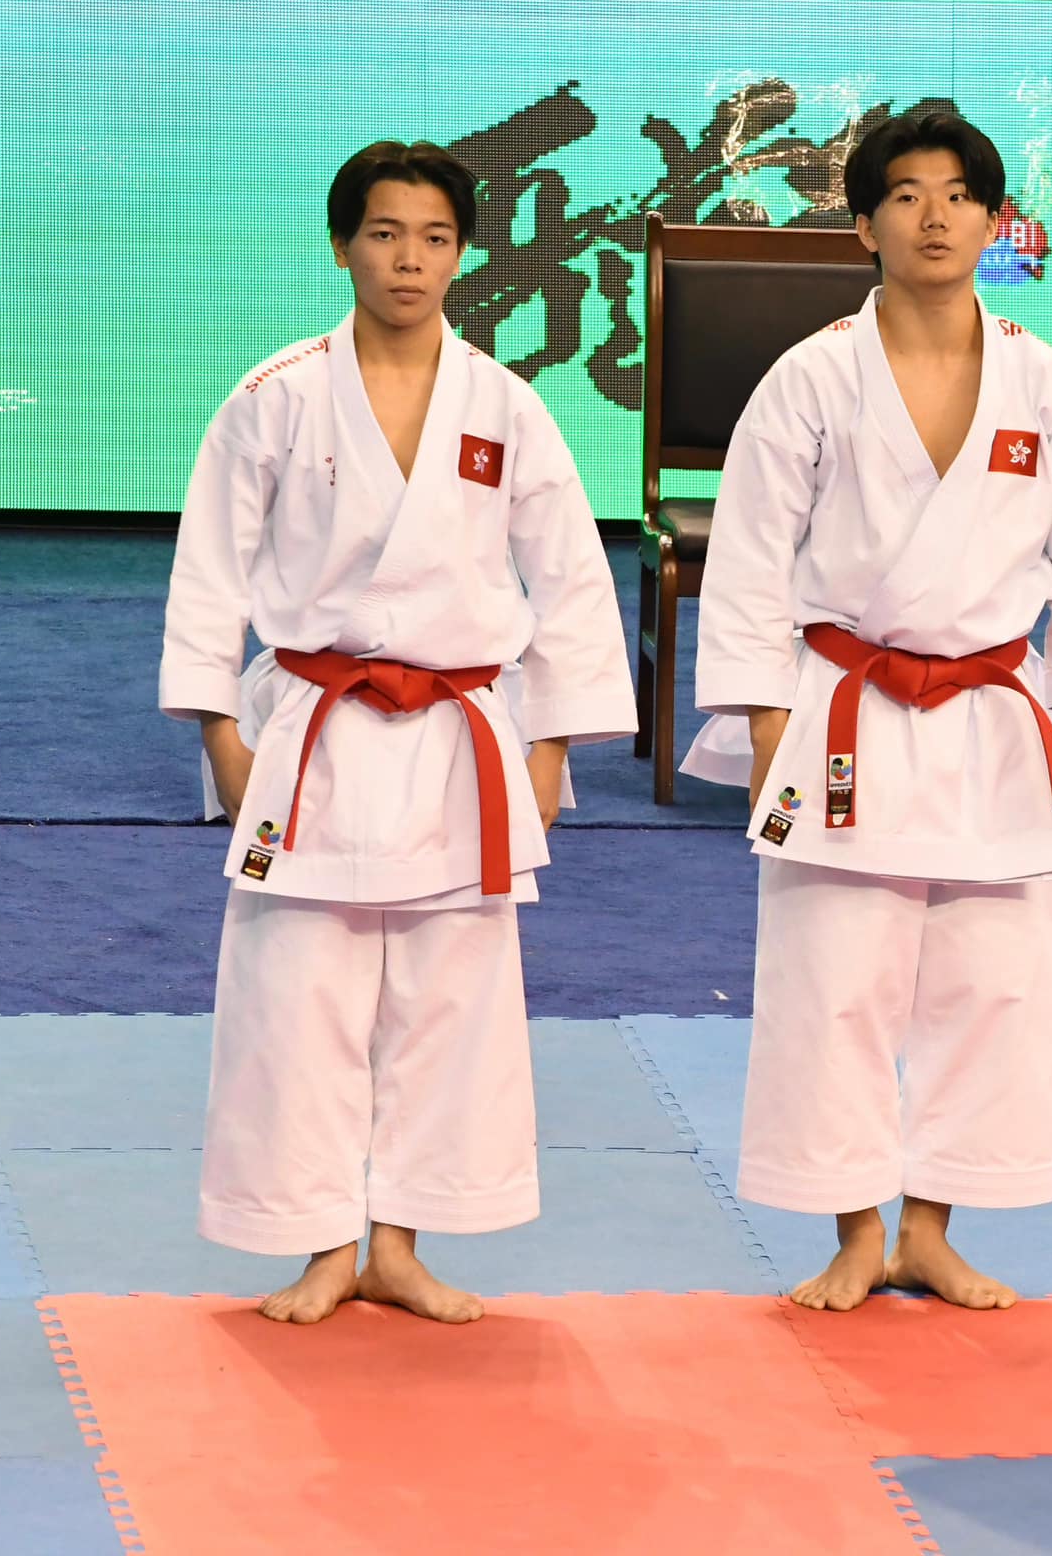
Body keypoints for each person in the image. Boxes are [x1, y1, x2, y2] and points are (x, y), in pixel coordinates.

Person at [159, 141, 634, 1324]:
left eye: (432, 237)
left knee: (446, 1004)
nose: (407, 259)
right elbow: (209, 573)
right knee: (294, 1001)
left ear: (462, 253)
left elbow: (571, 580)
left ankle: (402, 1243)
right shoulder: (275, 395)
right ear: (342, 247)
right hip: (311, 734)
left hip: (456, 744)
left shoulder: (505, 405)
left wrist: (551, 746)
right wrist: (219, 734)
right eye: (383, 234)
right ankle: (323, 1243)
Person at [681, 110, 1052, 1312]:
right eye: (904, 194)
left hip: (995, 712)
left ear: (995, 223)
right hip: (845, 707)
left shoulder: (1049, 385)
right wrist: (768, 726)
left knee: (990, 985)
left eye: (956, 195)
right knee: (832, 979)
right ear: (862, 226)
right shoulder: (811, 376)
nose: (933, 216)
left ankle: (931, 1226)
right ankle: (851, 1229)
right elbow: (747, 559)